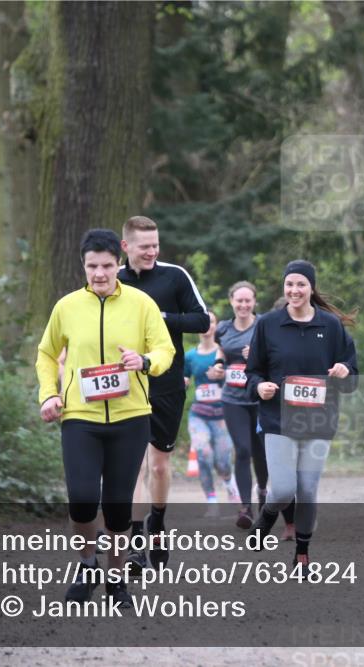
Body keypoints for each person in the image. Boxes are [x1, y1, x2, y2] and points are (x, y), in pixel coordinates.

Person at [36, 228, 174, 606]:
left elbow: (164, 349)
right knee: (81, 500)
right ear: (83, 266)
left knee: (117, 509)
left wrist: (145, 362)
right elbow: (47, 354)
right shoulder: (66, 307)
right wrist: (48, 393)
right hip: (80, 416)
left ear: (119, 264)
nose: (99, 273)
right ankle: (86, 566)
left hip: (130, 417)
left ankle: (116, 580)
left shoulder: (141, 303)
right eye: (92, 266)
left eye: (107, 266)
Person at [244, 260, 358, 566]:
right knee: (282, 488)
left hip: (318, 420)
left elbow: (352, 371)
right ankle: (268, 517)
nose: (294, 290)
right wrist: (260, 387)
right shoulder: (268, 324)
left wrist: (344, 370)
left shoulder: (331, 326)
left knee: (307, 489)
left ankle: (303, 552)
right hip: (278, 419)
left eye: (301, 284)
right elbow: (252, 372)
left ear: (311, 288)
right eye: (289, 284)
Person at [118, 215, 209, 570]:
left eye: (156, 245)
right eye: (145, 247)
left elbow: (201, 320)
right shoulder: (114, 279)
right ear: (126, 247)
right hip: (127, 384)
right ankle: (137, 541)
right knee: (136, 466)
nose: (152, 252)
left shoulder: (174, 276)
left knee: (158, 466)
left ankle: (157, 519)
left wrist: (161, 318)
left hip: (167, 384)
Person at [207, 281, 264, 528]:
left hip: (261, 398)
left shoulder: (263, 326)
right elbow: (221, 351)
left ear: (254, 302)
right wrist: (219, 366)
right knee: (242, 450)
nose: (243, 305)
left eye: (247, 300)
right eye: (238, 300)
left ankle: (262, 493)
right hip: (233, 398)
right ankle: (245, 508)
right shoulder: (223, 328)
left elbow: (274, 354)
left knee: (261, 452)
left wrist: (257, 355)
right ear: (231, 301)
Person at [183, 310, 239, 505]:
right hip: (199, 414)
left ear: (216, 326)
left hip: (223, 414)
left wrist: (222, 375)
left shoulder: (224, 352)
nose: (207, 326)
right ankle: (211, 499)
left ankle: (230, 484)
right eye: (204, 322)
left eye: (212, 322)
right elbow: (185, 378)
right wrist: (182, 383)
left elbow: (238, 377)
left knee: (223, 461)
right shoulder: (190, 356)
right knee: (203, 453)